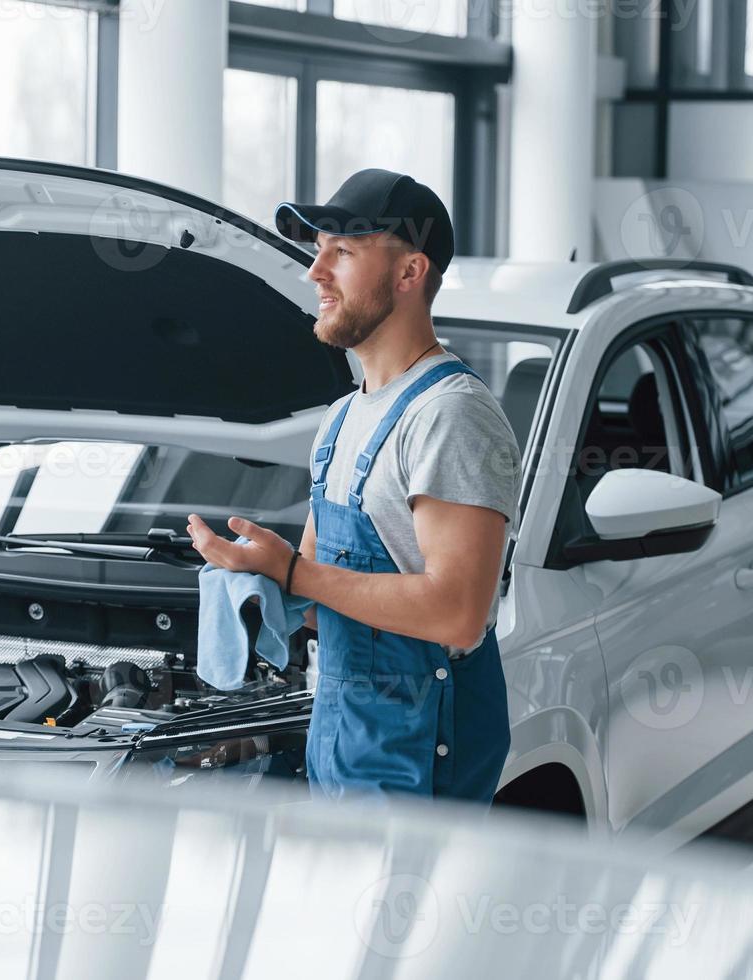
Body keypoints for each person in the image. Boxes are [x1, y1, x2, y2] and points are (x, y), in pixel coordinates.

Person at [187, 168, 520, 803]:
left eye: (342, 252)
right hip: (346, 747)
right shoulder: (342, 421)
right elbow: (320, 596)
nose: (316, 273)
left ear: (408, 272)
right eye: (319, 251)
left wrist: (293, 574)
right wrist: (253, 578)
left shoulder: (450, 416)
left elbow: (458, 615)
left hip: (420, 764)